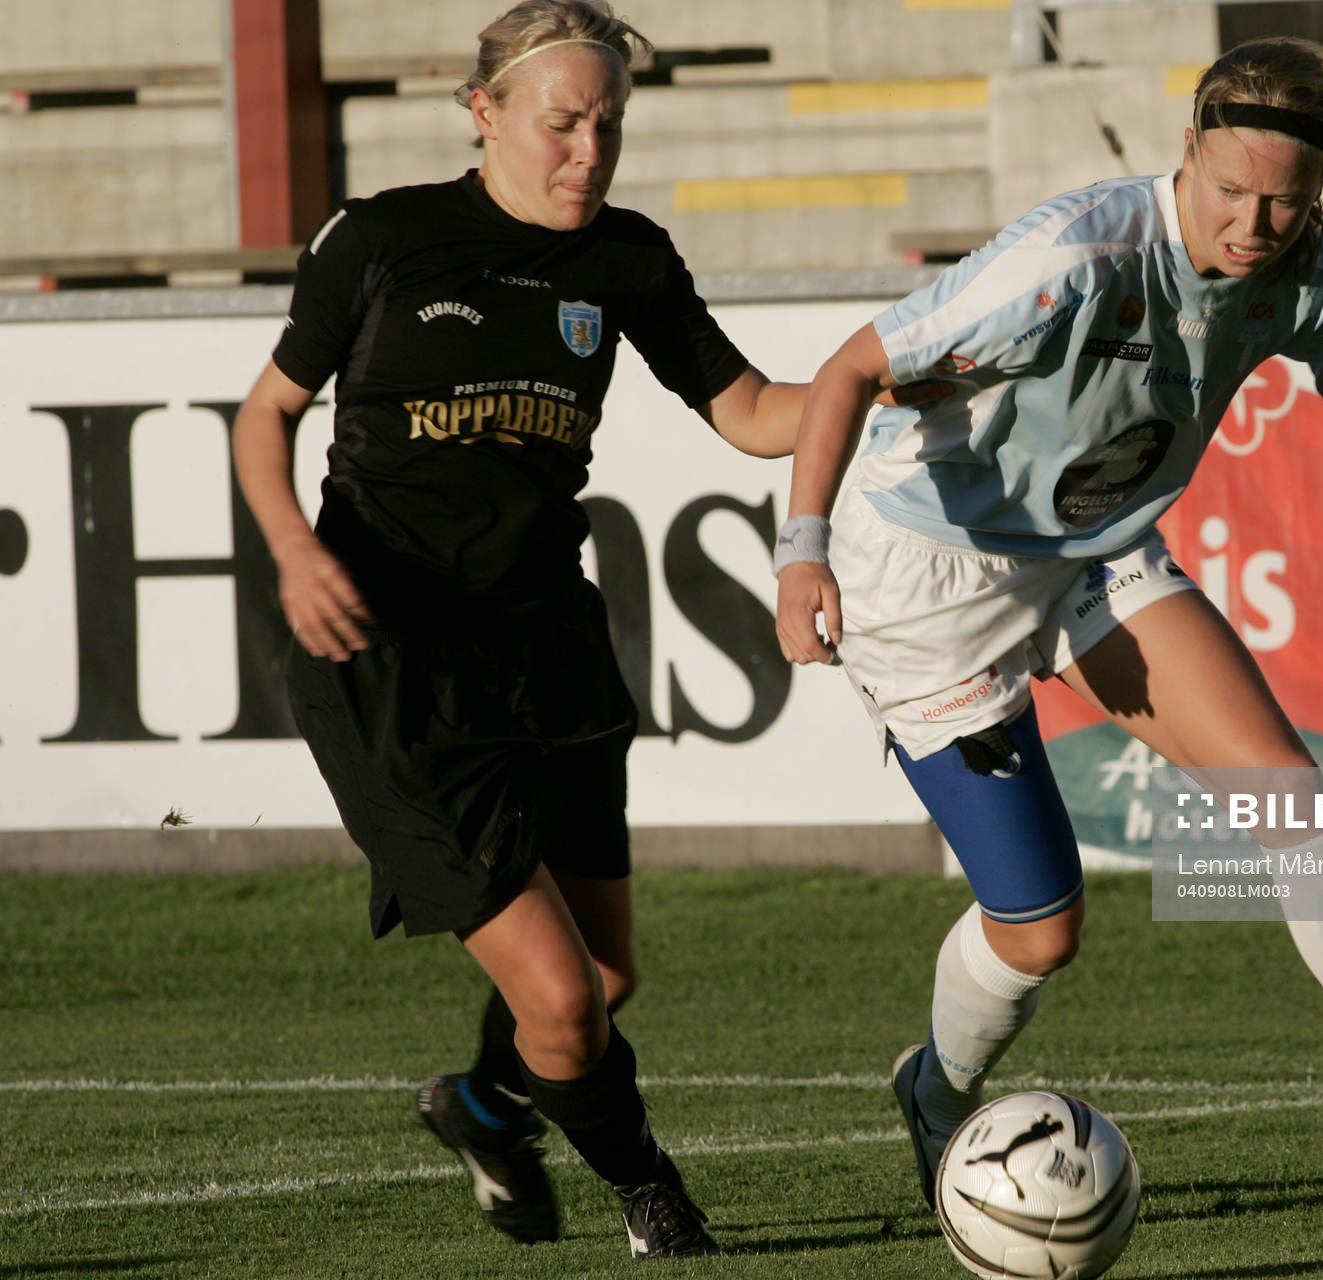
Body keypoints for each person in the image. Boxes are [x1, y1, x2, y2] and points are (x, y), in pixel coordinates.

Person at [774, 36, 1323, 1213]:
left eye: (1286, 199)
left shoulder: (1306, 268)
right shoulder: (1078, 251)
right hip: (925, 582)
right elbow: (851, 366)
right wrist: (799, 553)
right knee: (1042, 929)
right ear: (1187, 154)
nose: (1255, 223)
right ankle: (936, 1091)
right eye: (1231, 190)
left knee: (1301, 807)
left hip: (1095, 554)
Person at [229, 0, 915, 1259]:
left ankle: (486, 1104)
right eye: (561, 123)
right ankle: (654, 1195)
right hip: (394, 663)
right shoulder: (385, 240)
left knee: (601, 987)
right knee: (560, 997)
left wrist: (894, 370)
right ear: (484, 112)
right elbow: (265, 413)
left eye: (608, 125)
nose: (586, 153)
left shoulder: (626, 260)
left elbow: (756, 410)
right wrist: (291, 550)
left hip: (550, 645)